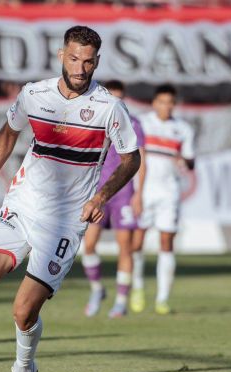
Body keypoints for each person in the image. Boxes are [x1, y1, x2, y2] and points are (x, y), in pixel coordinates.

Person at [0, 25, 141, 372]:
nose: (81, 68)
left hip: (65, 222)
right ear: (61, 55)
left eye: (89, 61)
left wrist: (102, 195)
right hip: (21, 206)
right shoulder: (33, 94)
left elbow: (131, 158)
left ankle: (23, 368)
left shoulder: (108, 107)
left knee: (22, 311)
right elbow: (8, 133)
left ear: (97, 61)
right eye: (74, 58)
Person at [129, 85, 195, 315]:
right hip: (144, 191)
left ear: (174, 104)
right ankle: (137, 287)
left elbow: (190, 161)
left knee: (166, 242)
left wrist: (183, 161)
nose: (166, 106)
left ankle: (162, 298)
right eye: (162, 101)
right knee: (136, 243)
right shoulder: (143, 124)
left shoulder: (182, 129)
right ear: (154, 103)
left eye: (170, 102)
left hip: (169, 192)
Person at [82, 80, 145, 319]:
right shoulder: (94, 120)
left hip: (124, 193)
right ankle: (97, 289)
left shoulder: (134, 124)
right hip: (97, 192)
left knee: (125, 247)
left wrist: (140, 192)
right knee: (88, 245)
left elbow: (141, 159)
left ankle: (120, 301)